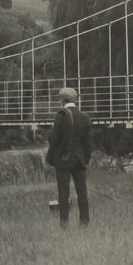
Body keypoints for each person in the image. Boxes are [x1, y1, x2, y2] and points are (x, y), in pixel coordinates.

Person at [45, 87, 92, 227]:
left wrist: (49, 133)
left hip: (63, 159)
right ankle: (84, 222)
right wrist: (86, 159)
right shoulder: (85, 117)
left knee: (63, 193)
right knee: (82, 192)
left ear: (62, 100)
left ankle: (64, 224)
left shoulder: (61, 116)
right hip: (79, 159)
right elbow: (88, 143)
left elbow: (54, 140)